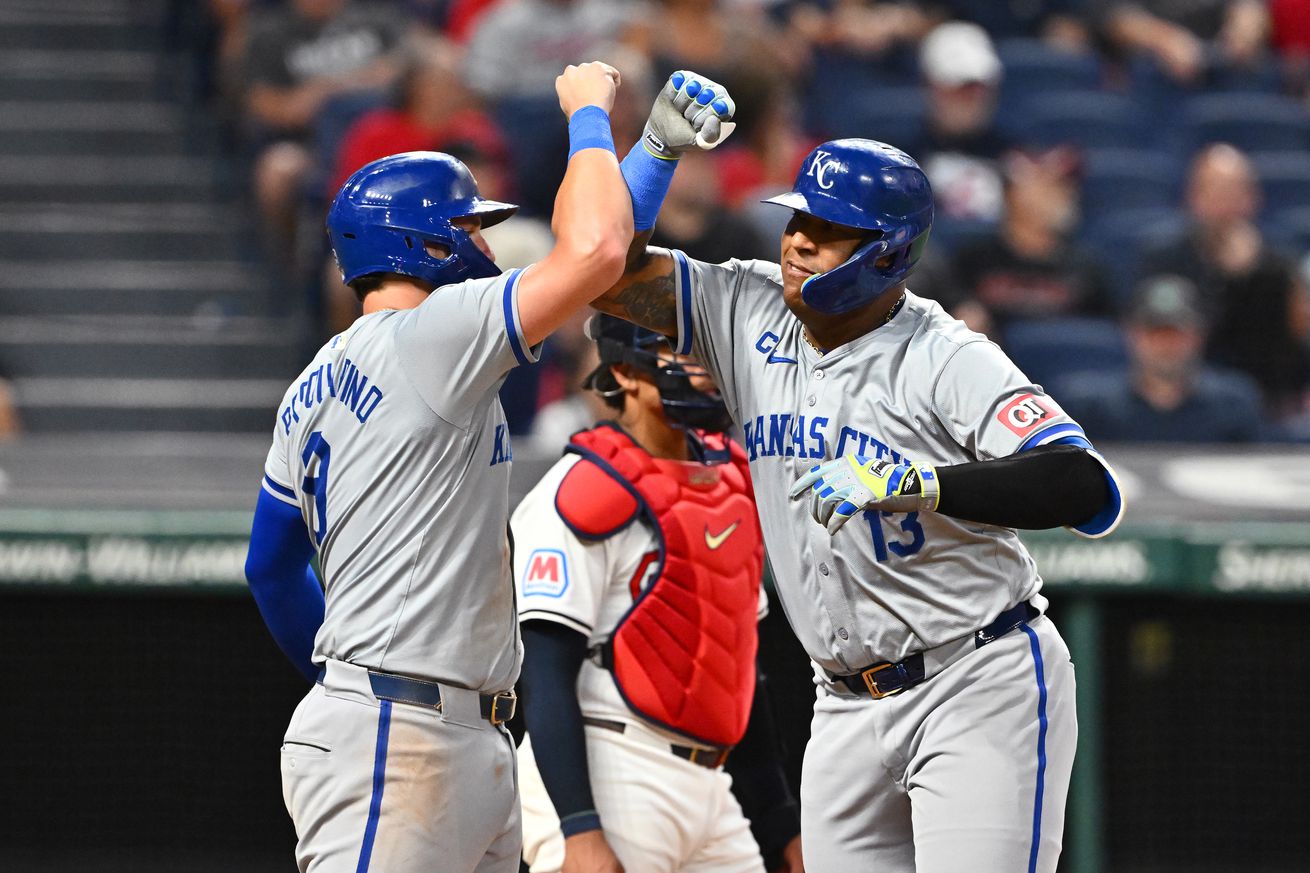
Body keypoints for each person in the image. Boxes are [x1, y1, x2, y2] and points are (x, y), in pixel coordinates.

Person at [593, 136, 1125, 872]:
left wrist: (924, 483)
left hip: (972, 676)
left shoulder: (943, 354)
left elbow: (1082, 485)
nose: (799, 242)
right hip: (842, 701)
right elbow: (603, 275)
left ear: (887, 252)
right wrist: (654, 151)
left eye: (828, 231)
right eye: (796, 222)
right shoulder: (745, 307)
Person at [239, 61, 715, 873]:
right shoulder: (438, 334)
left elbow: (271, 567)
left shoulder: (318, 375)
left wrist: (660, 148)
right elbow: (597, 252)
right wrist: (591, 116)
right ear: (422, 243)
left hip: (426, 724)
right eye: (470, 227)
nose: (487, 245)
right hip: (401, 733)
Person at [512, 315, 804, 873]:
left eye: (704, 349)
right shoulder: (584, 488)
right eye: (676, 351)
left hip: (710, 782)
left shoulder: (735, 480)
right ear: (624, 371)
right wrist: (579, 829)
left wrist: (781, 821)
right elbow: (545, 672)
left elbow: (736, 668)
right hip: (613, 764)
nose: (702, 367)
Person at [1138, 143, 1310, 419]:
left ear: (1252, 199)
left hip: (1266, 406)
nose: (1223, 204)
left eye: (1232, 192)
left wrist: (1249, 275)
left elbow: (1291, 351)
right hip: (1185, 400)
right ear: (1193, 197)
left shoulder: (1279, 269)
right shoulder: (1164, 259)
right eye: (1213, 191)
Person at [1060, 274, 1266, 442]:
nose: (1166, 345)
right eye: (1155, 333)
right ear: (1131, 335)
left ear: (1199, 336)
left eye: (1176, 333)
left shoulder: (1232, 405)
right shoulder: (1091, 409)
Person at [946, 146, 1114, 340]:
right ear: (1013, 194)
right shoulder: (972, 260)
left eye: (1068, 188)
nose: (1066, 197)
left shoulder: (1087, 267)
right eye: (1050, 187)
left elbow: (1105, 335)